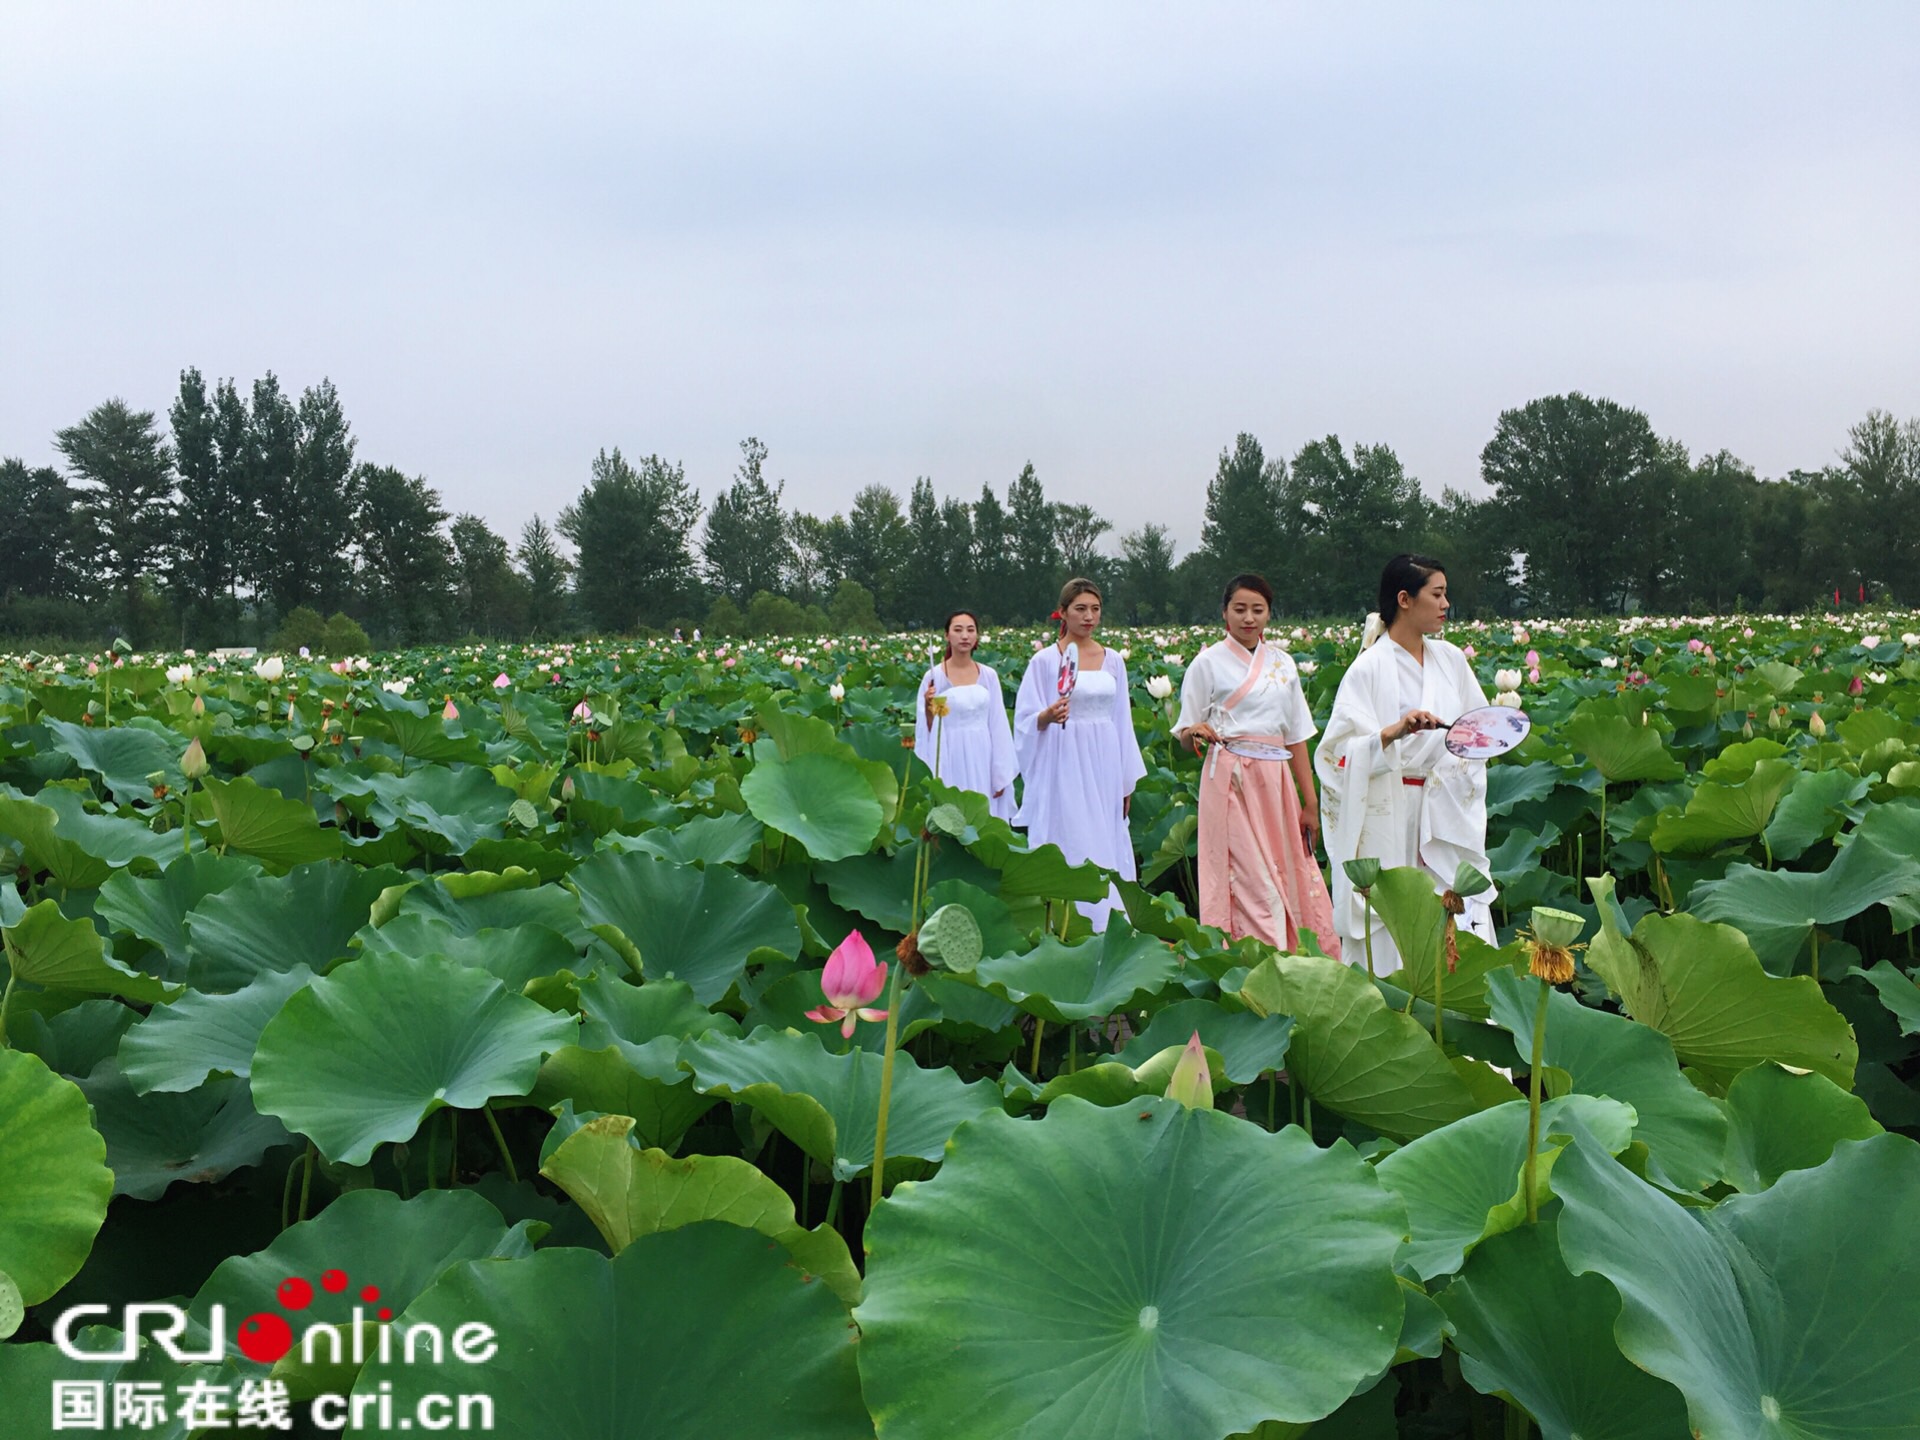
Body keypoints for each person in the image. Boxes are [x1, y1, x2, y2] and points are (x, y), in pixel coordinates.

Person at [1315, 554, 1497, 972]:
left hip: (1445, 809)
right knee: (1392, 918)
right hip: (1390, 811)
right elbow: (1335, 758)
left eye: (1446, 594)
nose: (1446, 603)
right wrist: (1391, 734)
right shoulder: (1368, 669)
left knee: (1452, 911)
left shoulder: (1452, 660)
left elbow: (1477, 729)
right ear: (1405, 600)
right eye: (1437, 594)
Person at [1174, 574, 1339, 957]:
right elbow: (1184, 734)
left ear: (1268, 615)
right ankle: (1254, 964)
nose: (1248, 618)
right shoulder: (1206, 663)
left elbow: (1296, 736)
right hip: (1229, 781)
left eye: (1257, 610)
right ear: (1225, 613)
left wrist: (1310, 802)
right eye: (1240, 609)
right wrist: (1194, 733)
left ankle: (1295, 959)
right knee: (1249, 880)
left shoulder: (1283, 664)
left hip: (1277, 781)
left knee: (1289, 871)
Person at [1014, 578, 1147, 931]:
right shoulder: (1045, 661)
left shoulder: (1113, 661)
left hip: (1104, 758)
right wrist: (1047, 715)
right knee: (1072, 831)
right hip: (1064, 757)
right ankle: (1070, 922)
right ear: (1064, 612)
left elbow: (1122, 722)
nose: (1088, 617)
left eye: (1095, 609)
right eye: (1080, 609)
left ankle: (1109, 922)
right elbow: (1025, 719)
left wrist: (1125, 780)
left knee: (1105, 832)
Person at [913, 610, 1018, 822]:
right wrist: (927, 706)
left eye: (970, 630)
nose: (964, 636)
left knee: (983, 817)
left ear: (977, 636)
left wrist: (1001, 774)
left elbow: (998, 725)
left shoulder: (989, 675)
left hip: (983, 753)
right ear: (947, 635)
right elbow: (928, 729)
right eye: (958, 630)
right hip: (950, 754)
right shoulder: (934, 677)